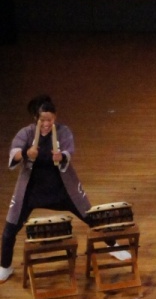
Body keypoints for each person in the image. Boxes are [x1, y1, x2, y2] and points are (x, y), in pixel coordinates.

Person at [2, 95, 129, 282]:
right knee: (10, 228)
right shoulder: (26, 133)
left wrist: (61, 156)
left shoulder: (63, 131)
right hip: (31, 190)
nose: (47, 124)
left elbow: (69, 151)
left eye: (50, 120)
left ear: (55, 117)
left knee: (91, 217)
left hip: (62, 188)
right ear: (36, 119)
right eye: (43, 120)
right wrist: (26, 153)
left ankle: (113, 246)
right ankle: (5, 266)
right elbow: (14, 153)